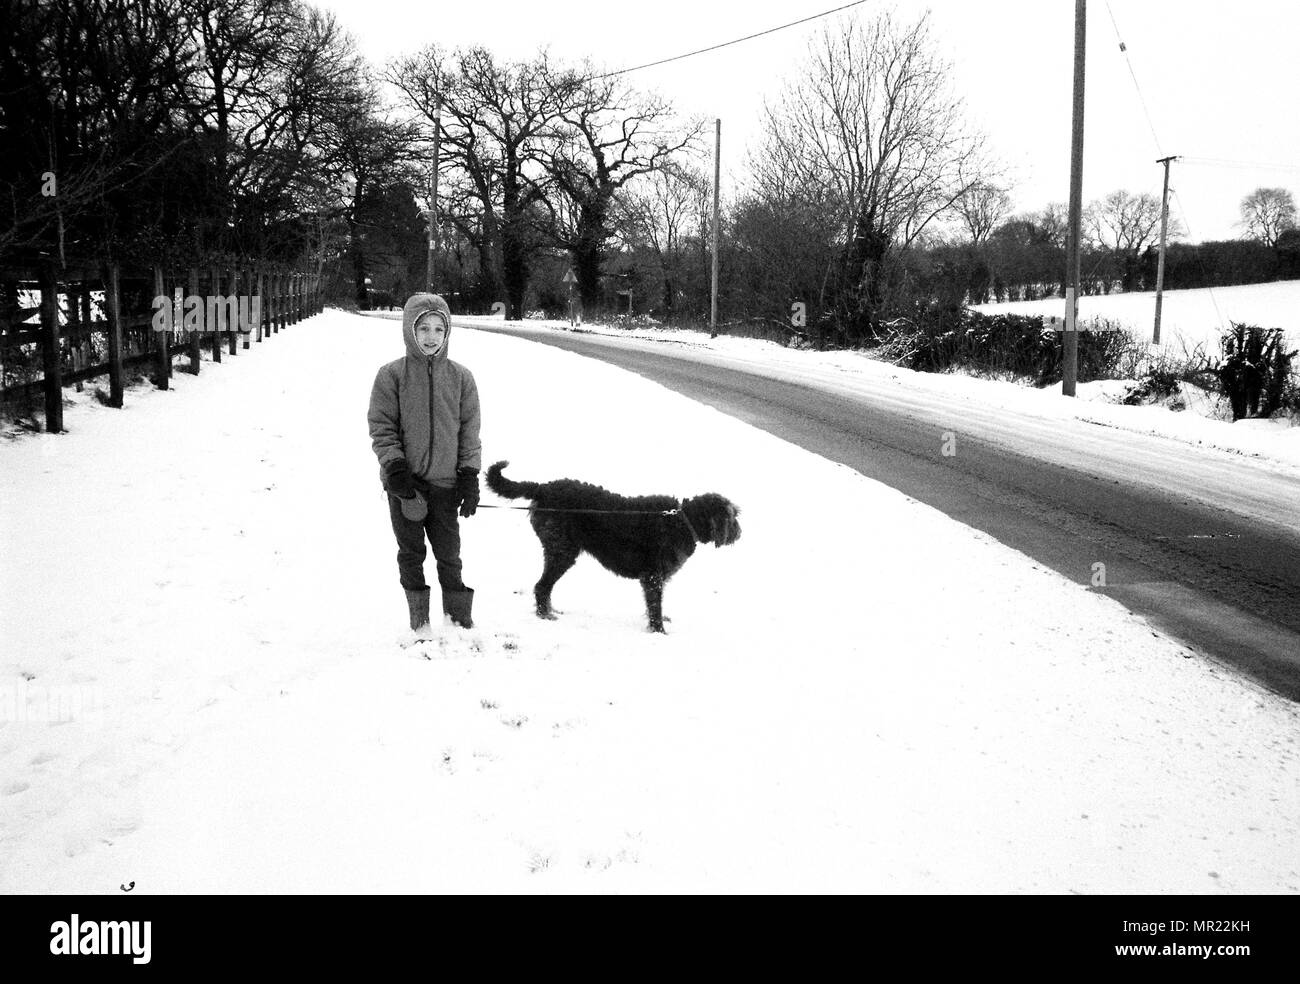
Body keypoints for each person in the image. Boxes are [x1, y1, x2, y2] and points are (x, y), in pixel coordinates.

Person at [368, 293, 481, 634]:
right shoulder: (392, 376)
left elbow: (469, 431)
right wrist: (395, 468)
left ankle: (458, 620)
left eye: (438, 329)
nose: (431, 336)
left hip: (446, 485)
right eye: (424, 329)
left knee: (450, 554)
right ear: (409, 331)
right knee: (411, 553)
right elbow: (381, 426)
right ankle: (420, 622)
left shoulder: (462, 378)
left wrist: (469, 474)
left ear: (448, 333)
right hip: (407, 488)